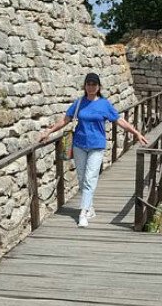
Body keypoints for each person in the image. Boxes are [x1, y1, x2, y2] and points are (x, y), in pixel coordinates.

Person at [39, 72, 148, 227]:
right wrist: (49, 132)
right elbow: (65, 120)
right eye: (88, 84)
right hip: (79, 145)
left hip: (97, 146)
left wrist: (136, 133)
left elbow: (120, 121)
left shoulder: (104, 104)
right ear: (85, 86)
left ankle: (82, 213)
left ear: (99, 87)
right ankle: (90, 208)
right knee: (82, 178)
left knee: (90, 178)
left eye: (94, 84)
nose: (91, 87)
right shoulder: (79, 103)